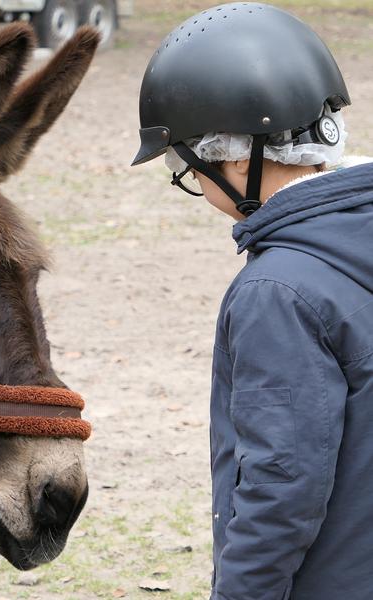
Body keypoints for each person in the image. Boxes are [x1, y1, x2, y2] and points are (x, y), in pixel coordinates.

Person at [131, 3, 373, 599]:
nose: (198, 187)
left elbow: (282, 486)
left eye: (191, 168)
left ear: (238, 158)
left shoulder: (277, 292)